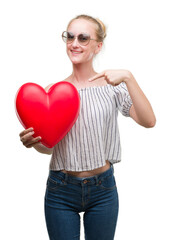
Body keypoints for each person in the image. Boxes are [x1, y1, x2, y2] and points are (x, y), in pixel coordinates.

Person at [19, 14, 156, 240]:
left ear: (98, 46)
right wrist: (34, 144)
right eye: (70, 37)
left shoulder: (112, 87)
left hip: (103, 189)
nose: (74, 44)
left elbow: (148, 121)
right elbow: (50, 147)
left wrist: (129, 78)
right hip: (60, 190)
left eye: (83, 38)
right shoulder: (52, 93)